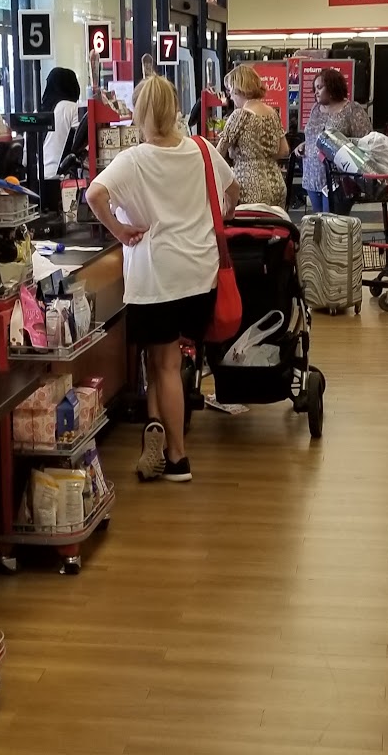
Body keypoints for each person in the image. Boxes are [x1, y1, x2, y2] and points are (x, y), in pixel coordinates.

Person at [86, 74, 238, 485]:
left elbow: (94, 195)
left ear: (138, 113)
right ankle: (155, 426)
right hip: (200, 273)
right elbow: (233, 192)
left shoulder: (133, 159)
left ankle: (177, 457)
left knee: (164, 363)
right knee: (163, 360)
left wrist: (120, 232)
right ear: (175, 110)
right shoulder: (202, 148)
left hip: (156, 276)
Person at [300, 65, 370, 213]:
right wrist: (304, 145)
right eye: (315, 88)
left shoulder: (352, 109)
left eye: (320, 87)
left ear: (332, 87)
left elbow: (367, 141)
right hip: (313, 177)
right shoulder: (315, 109)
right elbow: (315, 136)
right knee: (318, 222)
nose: (316, 92)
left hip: (338, 179)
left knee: (333, 222)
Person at [220, 64, 288, 208]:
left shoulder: (239, 115)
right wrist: (263, 158)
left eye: (230, 90)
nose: (230, 96)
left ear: (238, 89)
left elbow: (219, 152)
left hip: (248, 187)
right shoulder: (272, 113)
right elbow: (284, 150)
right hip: (276, 185)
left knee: (249, 223)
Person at [39, 65, 82, 182]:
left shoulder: (37, 111)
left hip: (38, 177)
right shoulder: (73, 108)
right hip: (61, 176)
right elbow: (80, 141)